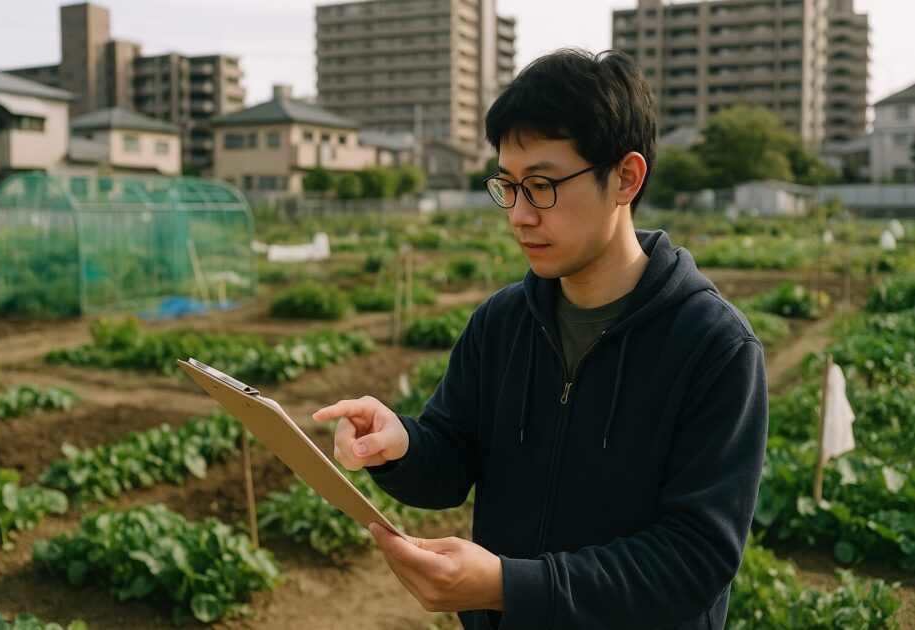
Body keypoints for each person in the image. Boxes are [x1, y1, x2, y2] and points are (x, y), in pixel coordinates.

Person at [314, 48, 768, 629]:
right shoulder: (502, 322)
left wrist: (509, 586)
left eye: (542, 185)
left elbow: (694, 559)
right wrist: (401, 443)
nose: (519, 215)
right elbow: (453, 458)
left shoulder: (714, 347)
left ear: (625, 178)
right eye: (508, 186)